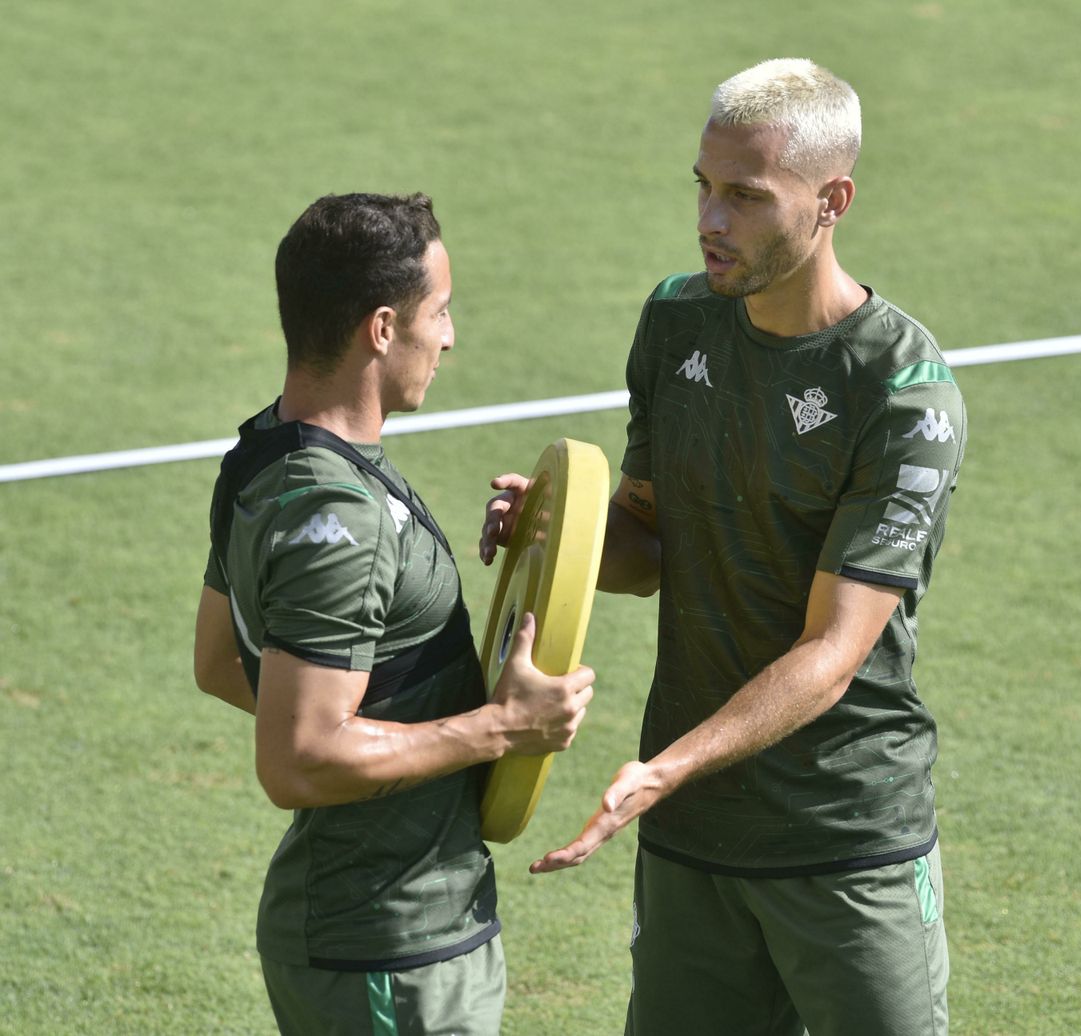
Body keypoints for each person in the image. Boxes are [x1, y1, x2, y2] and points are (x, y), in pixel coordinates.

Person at [482, 59, 965, 1036]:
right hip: (695, 837)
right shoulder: (677, 319)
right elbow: (647, 541)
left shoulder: (902, 393)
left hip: (843, 838)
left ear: (833, 201)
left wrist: (666, 767)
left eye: (745, 196)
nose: (711, 219)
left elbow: (832, 654)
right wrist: (560, 533)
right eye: (703, 187)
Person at [194, 192, 595, 1035]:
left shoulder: (263, 456)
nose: (449, 336)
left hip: (381, 927)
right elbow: (298, 758)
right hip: (387, 947)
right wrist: (501, 727)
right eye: (439, 313)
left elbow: (223, 662)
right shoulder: (340, 524)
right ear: (382, 328)